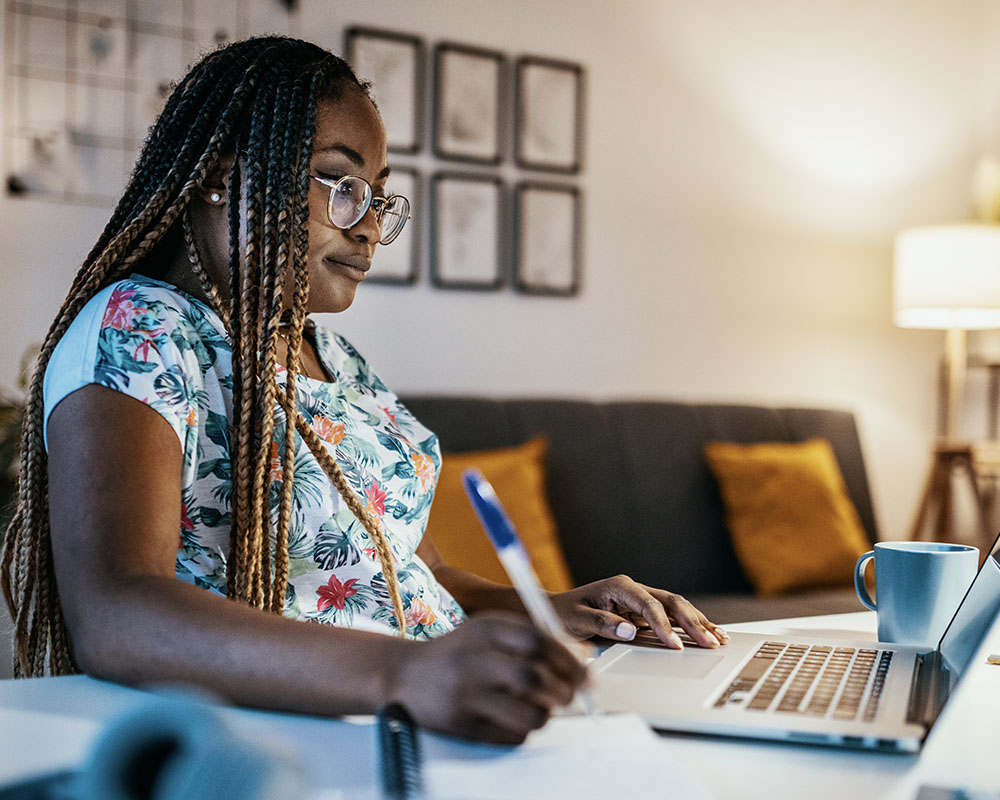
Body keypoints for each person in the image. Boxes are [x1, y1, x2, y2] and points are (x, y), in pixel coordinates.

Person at [1, 36, 728, 744]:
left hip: (417, 718)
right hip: (296, 736)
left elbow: (418, 571)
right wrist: (404, 674)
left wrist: (557, 610)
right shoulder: (140, 327)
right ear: (223, 173)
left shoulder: (335, 358)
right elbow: (119, 613)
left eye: (379, 198)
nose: (371, 226)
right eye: (342, 186)